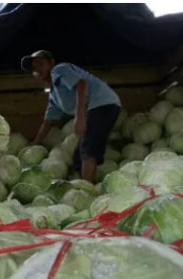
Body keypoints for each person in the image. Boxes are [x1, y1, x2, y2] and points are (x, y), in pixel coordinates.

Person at [22, 50, 121, 183]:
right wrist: (34, 143)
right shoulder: (54, 94)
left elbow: (81, 84)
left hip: (103, 104)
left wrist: (80, 117)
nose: (37, 69)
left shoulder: (59, 69)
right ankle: (85, 184)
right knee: (77, 158)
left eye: (40, 63)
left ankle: (88, 189)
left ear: (51, 62)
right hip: (96, 109)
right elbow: (48, 122)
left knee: (88, 148)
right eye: (34, 69)